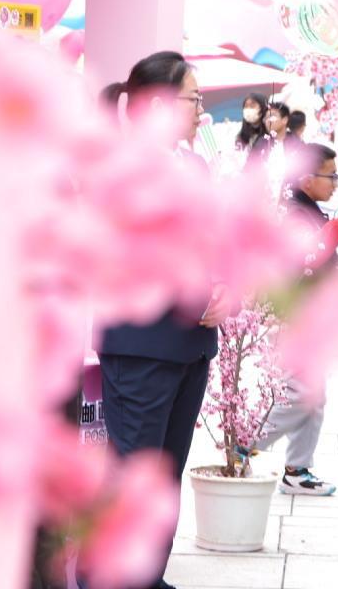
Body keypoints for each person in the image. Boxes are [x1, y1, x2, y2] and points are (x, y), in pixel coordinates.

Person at [93, 51, 230, 589]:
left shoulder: (191, 164)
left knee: (165, 476)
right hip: (142, 347)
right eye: (193, 98)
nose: (201, 109)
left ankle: (147, 577)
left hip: (190, 347)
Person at [251, 143, 338, 496]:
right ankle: (245, 441)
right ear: (306, 178)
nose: (334, 182)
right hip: (293, 316)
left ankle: (298, 469)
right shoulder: (292, 214)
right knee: (302, 393)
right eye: (330, 175)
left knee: (313, 393)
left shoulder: (306, 208)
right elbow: (309, 255)